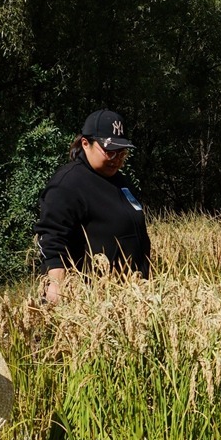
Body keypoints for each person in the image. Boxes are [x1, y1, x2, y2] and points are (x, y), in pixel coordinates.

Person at [35, 108, 151, 303]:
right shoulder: (68, 184)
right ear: (85, 143)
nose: (117, 159)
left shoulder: (121, 181)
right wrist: (56, 285)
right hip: (94, 301)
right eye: (109, 151)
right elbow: (52, 238)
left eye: (121, 152)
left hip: (132, 295)